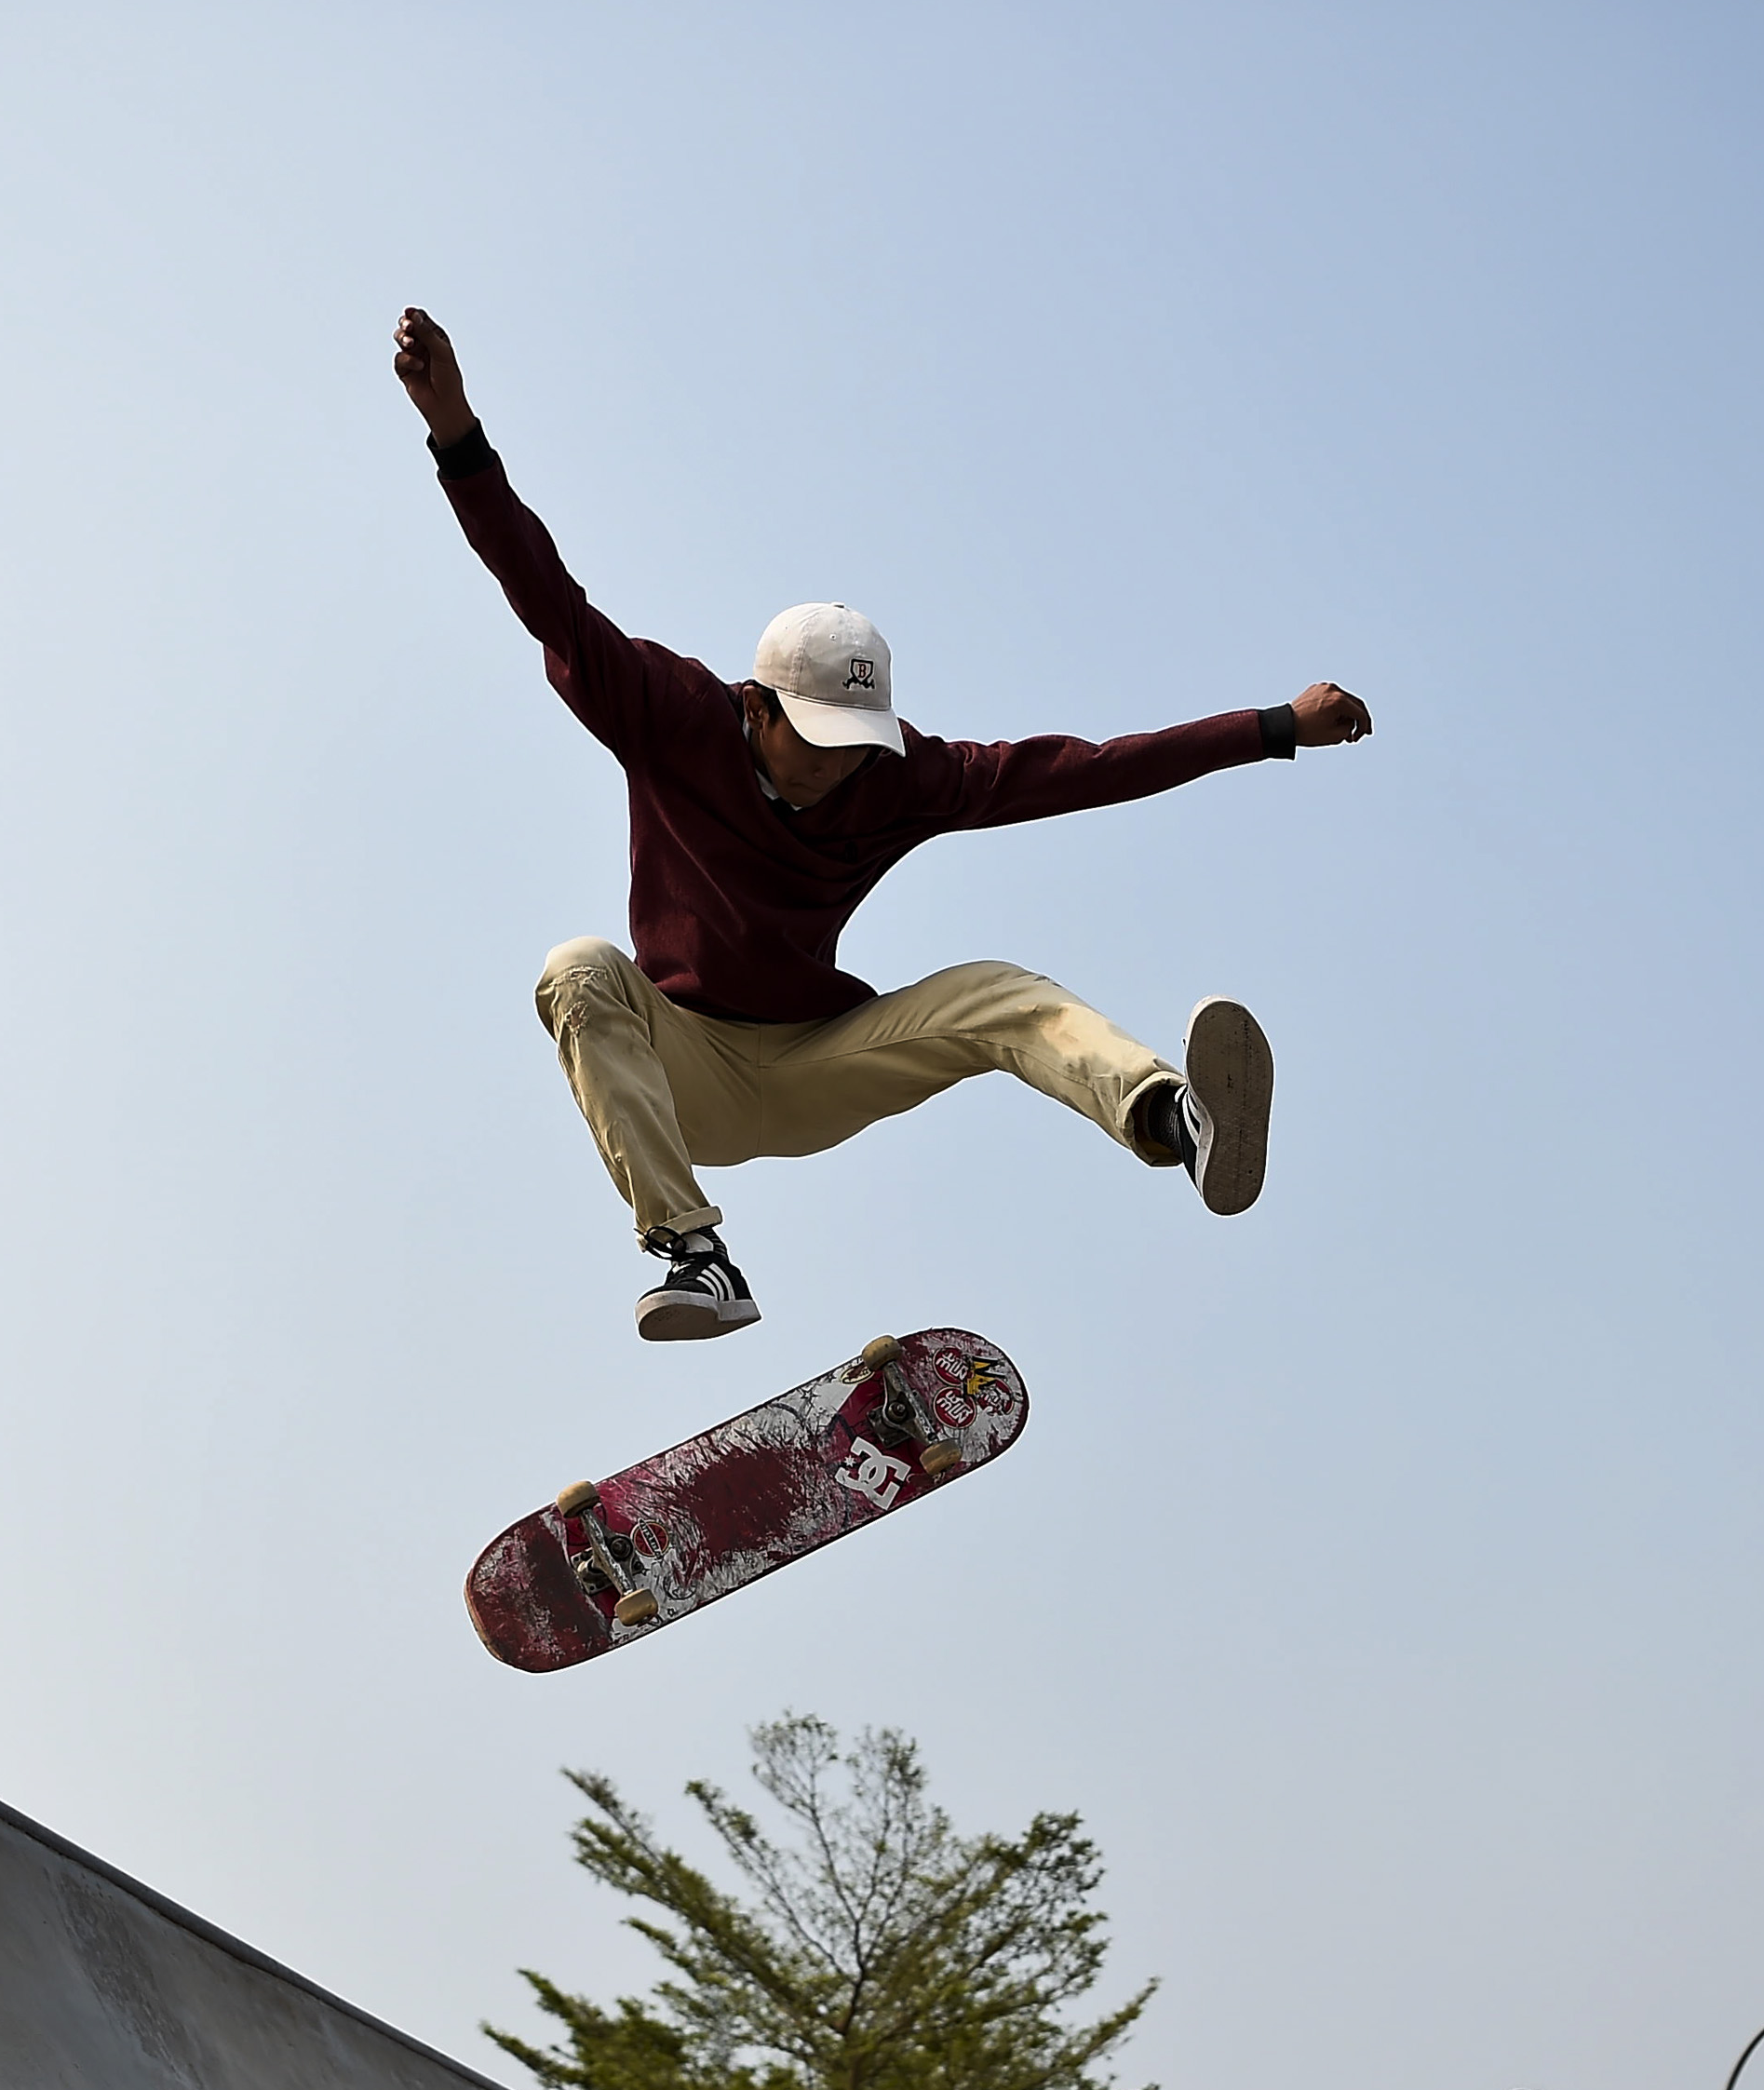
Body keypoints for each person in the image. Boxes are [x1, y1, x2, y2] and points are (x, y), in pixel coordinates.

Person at [390, 307, 1374, 1340]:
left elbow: (1086, 770)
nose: (838, 769)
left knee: (998, 992)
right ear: (755, 707)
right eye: (815, 742)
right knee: (577, 967)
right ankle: (693, 1254)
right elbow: (547, 596)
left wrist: (1271, 728)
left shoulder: (902, 777)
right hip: (685, 1072)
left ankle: (1172, 1116)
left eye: (857, 745)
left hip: (822, 1060)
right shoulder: (670, 715)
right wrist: (457, 432)